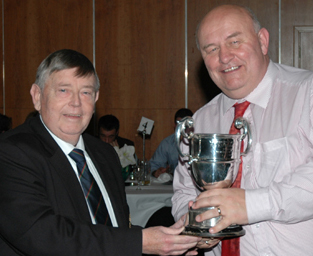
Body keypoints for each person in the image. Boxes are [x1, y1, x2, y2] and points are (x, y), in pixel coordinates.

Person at [0, 49, 201, 256]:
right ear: (37, 96)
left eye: (85, 92)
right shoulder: (11, 152)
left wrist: (170, 243)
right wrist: (140, 242)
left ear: (95, 98)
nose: (76, 102)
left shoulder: (104, 154)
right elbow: (42, 235)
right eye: (63, 90)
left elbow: (114, 231)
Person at [172, 4, 313, 256]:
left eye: (234, 42)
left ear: (262, 41)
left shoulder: (307, 93)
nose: (224, 57)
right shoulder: (201, 120)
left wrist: (249, 205)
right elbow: (184, 190)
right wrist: (195, 225)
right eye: (211, 49)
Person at [150, 108, 193, 178]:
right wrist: (157, 171)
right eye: (179, 124)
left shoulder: (199, 142)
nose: (182, 128)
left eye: (185, 125)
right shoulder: (167, 143)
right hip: (172, 185)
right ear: (174, 125)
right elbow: (153, 165)